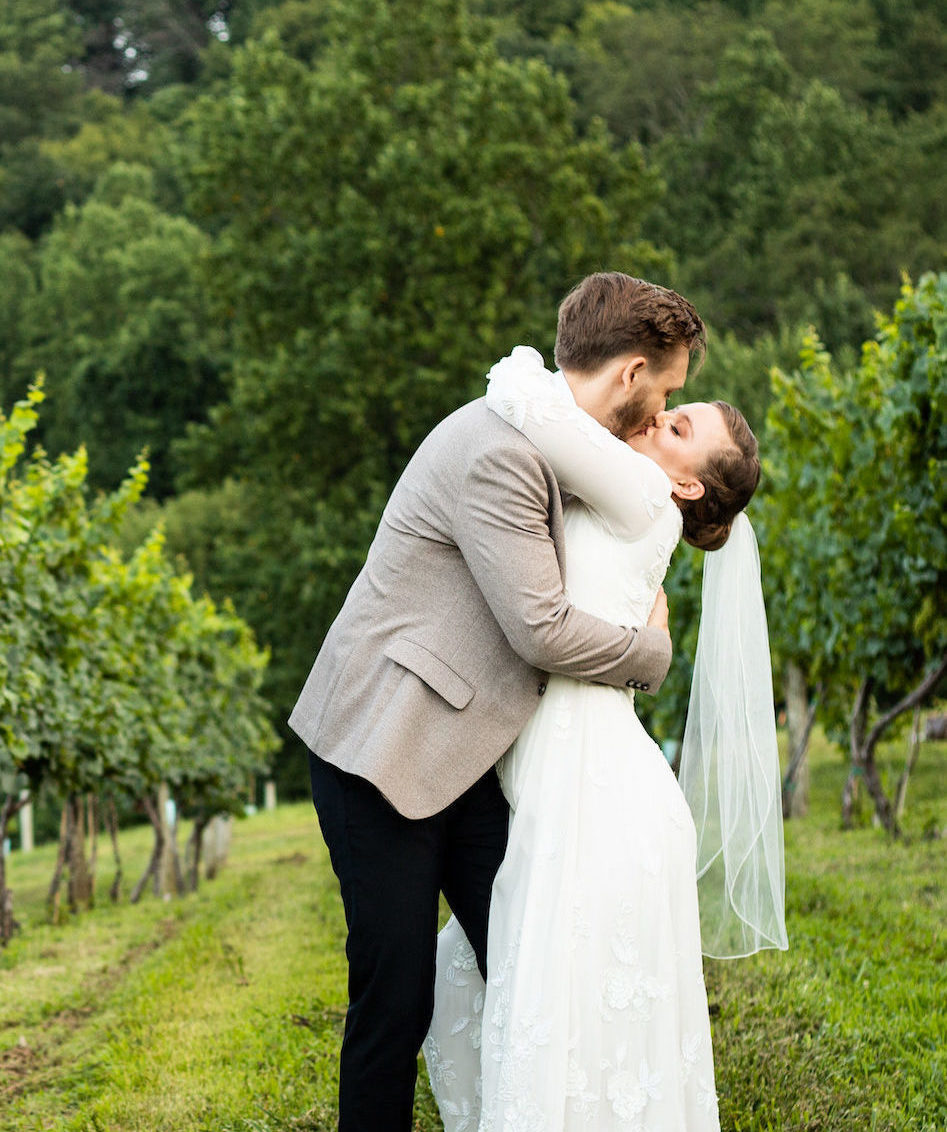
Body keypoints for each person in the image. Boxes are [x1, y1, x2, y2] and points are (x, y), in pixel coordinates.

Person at [289, 272, 706, 1130]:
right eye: (664, 391)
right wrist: (649, 656)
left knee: (528, 960)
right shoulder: (501, 451)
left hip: (470, 753)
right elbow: (541, 631)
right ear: (628, 374)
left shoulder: (553, 436)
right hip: (384, 745)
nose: (659, 411)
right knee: (393, 993)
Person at [421, 345, 783, 1131]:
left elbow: (518, 385)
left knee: (557, 1003)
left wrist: (568, 358)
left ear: (685, 483)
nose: (658, 413)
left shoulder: (641, 493)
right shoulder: (626, 484)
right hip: (586, 775)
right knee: (543, 999)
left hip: (593, 790)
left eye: (679, 423)